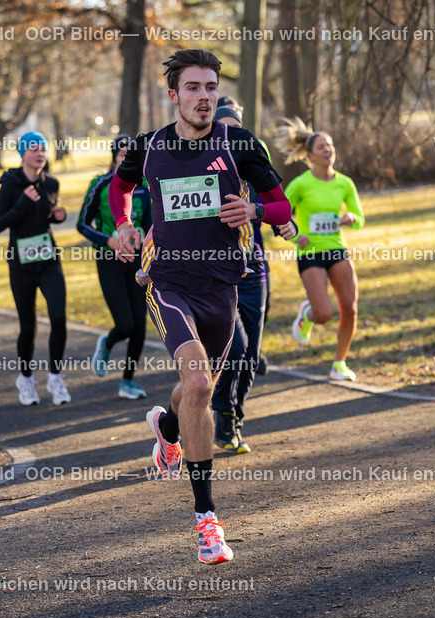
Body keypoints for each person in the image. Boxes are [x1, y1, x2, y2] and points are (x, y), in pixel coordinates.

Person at [109, 49, 291, 564]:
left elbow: (281, 206)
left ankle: (167, 430)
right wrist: (123, 225)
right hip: (167, 281)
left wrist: (254, 208)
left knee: (198, 385)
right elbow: (118, 190)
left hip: (221, 287)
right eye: (193, 88)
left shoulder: (239, 144)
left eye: (211, 87)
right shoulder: (149, 147)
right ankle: (207, 521)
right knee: (197, 384)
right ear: (174, 96)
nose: (204, 97)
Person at [207, 105, 296, 454]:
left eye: (238, 130)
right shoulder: (205, 172)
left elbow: (277, 206)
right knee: (236, 350)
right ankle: (223, 415)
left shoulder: (254, 167)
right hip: (217, 272)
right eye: (225, 130)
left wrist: (286, 224)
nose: (233, 138)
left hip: (253, 270)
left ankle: (234, 416)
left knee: (251, 356)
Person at [277, 117, 365, 382]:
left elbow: (359, 218)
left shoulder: (344, 183)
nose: (328, 151)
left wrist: (351, 218)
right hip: (310, 253)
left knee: (350, 309)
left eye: (330, 146)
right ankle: (307, 313)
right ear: (310, 155)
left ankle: (339, 363)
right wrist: (296, 236)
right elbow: (280, 214)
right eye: (321, 147)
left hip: (336, 248)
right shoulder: (301, 184)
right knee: (324, 314)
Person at [0, 132, 71, 406]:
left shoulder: (52, 183)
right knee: (29, 326)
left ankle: (55, 378)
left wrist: (58, 216)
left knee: (58, 317)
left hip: (48, 259)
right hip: (21, 264)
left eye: (43, 149)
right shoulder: (11, 185)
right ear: (22, 154)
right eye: (34, 149)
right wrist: (22, 203)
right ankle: (25, 379)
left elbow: (46, 215)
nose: (40, 153)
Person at [80, 134, 152, 400]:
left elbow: (151, 221)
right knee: (125, 324)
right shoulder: (100, 184)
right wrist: (108, 240)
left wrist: (145, 238)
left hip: (137, 260)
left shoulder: (145, 186)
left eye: (130, 155)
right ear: (114, 156)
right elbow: (82, 224)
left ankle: (128, 382)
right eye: (121, 154)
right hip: (109, 260)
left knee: (141, 326)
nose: (125, 159)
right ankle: (107, 342)